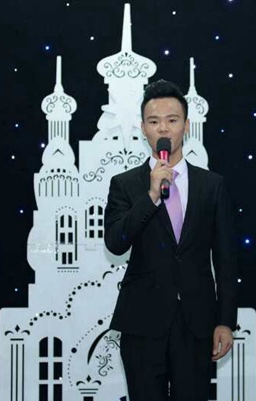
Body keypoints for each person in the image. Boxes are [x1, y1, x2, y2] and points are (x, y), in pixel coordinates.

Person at [104, 79, 239, 400]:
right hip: (142, 321)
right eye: (154, 121)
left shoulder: (212, 186)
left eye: (172, 120)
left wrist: (225, 321)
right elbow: (116, 242)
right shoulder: (125, 184)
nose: (163, 128)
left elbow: (226, 259)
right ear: (143, 129)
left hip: (196, 323)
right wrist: (151, 195)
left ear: (186, 126)